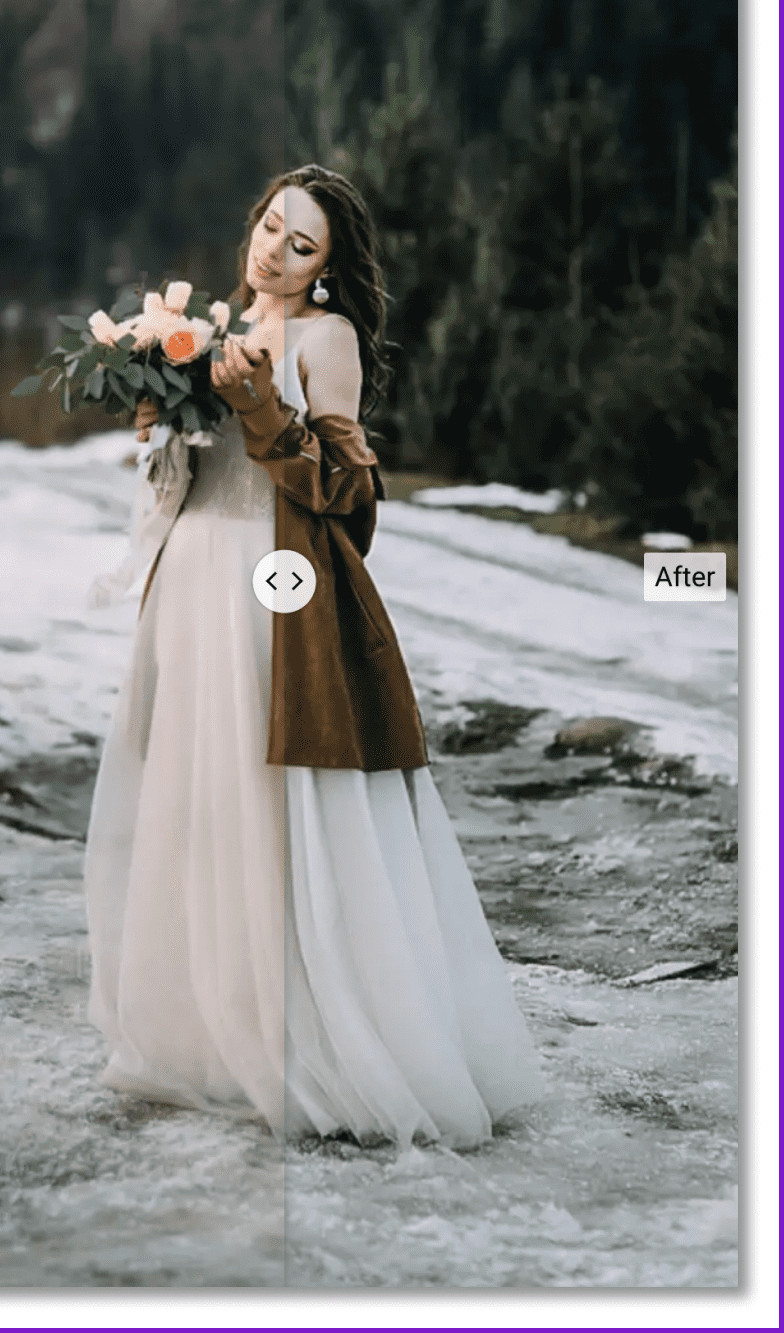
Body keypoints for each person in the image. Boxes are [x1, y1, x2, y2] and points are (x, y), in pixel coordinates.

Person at [85, 164, 544, 1149]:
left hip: (268, 592)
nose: (276, 251)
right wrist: (157, 413)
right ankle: (207, 1032)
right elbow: (180, 475)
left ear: (328, 269)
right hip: (193, 580)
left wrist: (259, 409)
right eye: (271, 227)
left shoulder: (322, 338)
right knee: (198, 800)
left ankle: (310, 1033)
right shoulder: (204, 331)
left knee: (269, 799)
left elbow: (347, 492)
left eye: (304, 245)